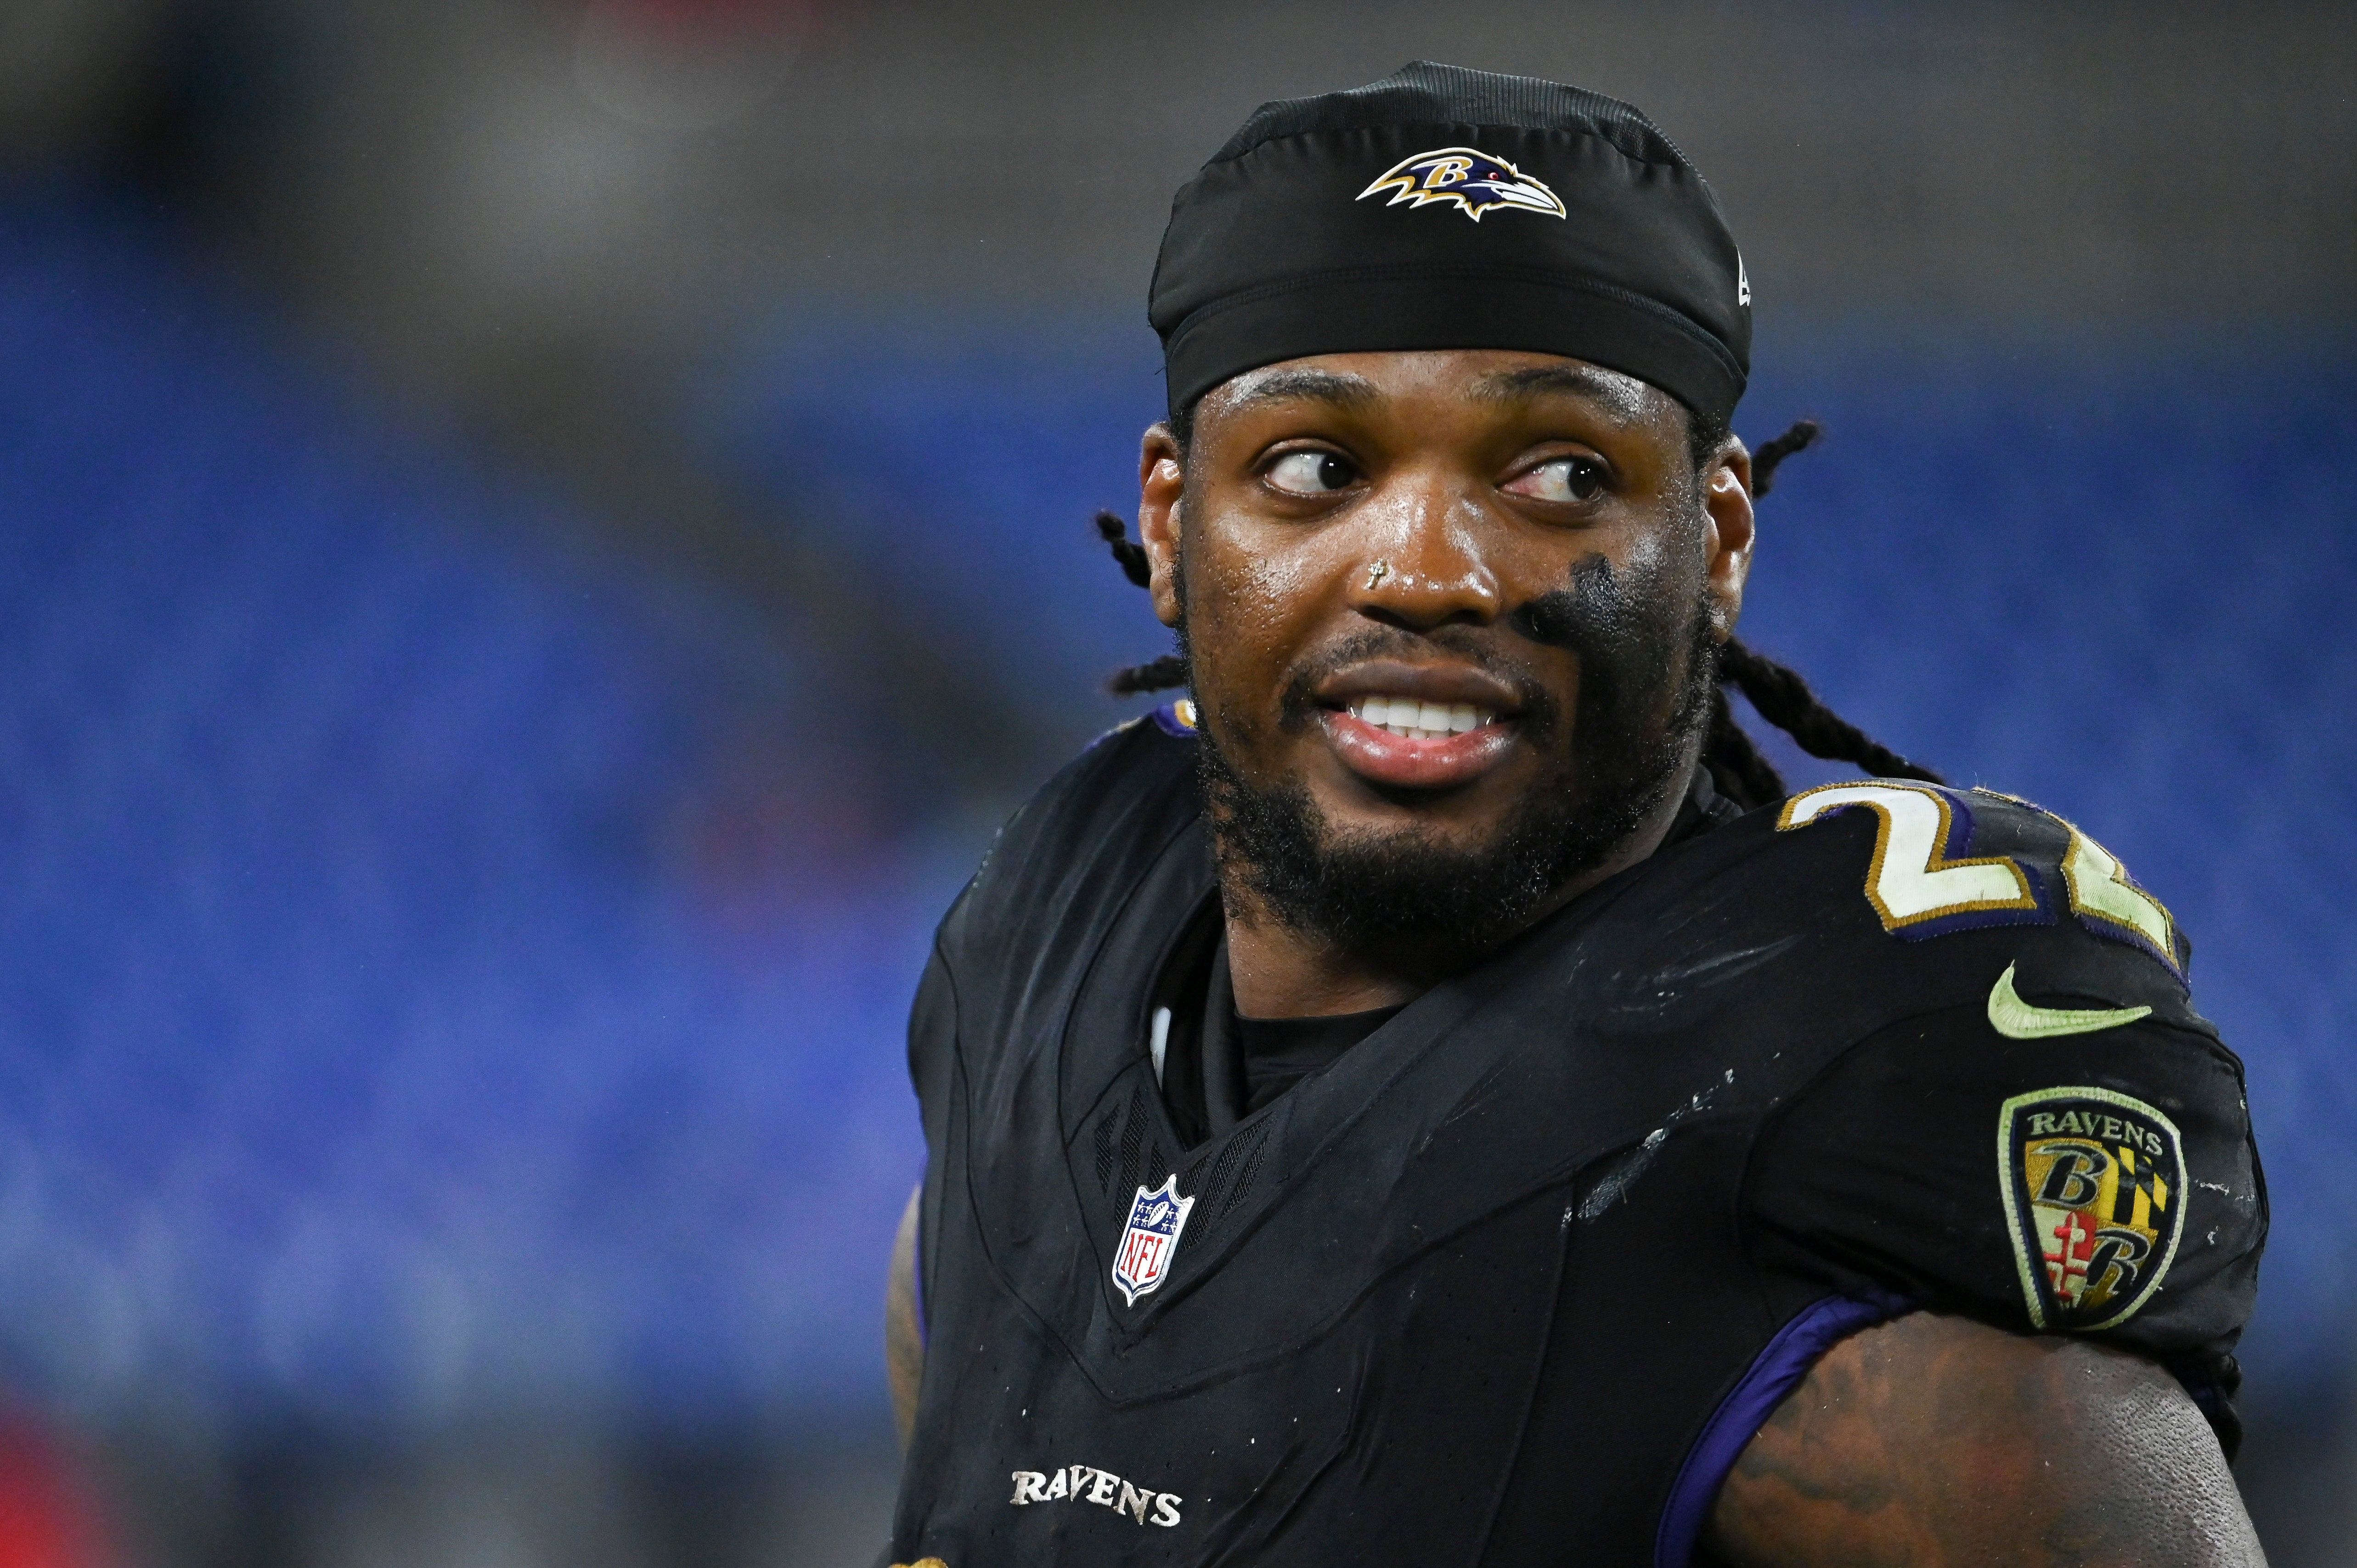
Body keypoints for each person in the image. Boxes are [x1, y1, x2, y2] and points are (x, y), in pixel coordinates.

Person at [878, 62, 2267, 1568]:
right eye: (1312, 468)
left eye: (1557, 473)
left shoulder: (1808, 1112)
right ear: (1168, 525)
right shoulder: (1060, 942)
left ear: (1715, 539)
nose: (1423, 567)